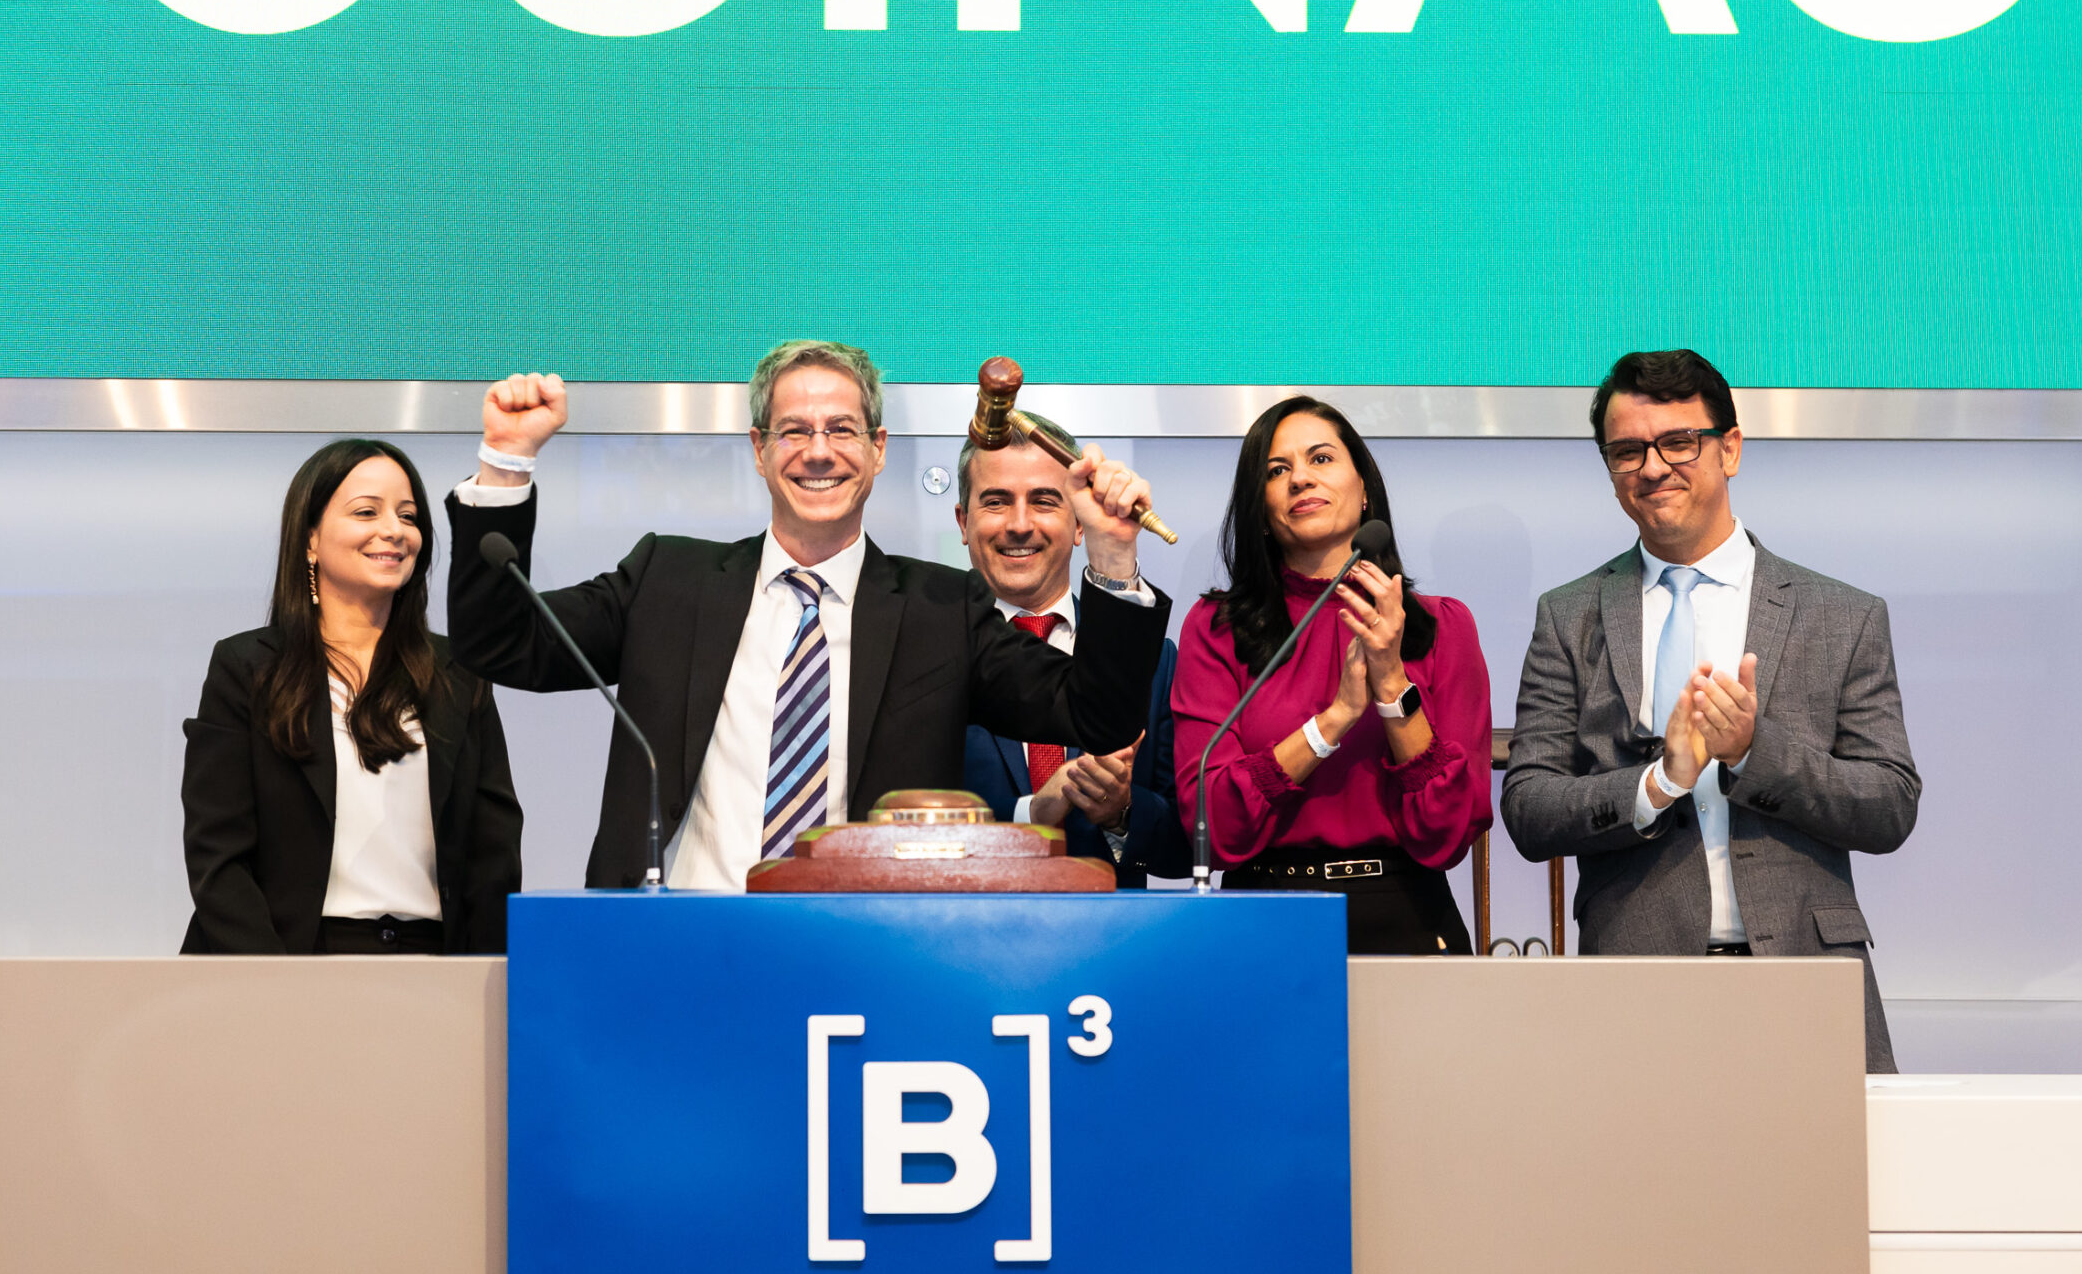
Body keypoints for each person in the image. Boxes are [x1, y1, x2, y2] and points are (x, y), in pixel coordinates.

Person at [446, 341, 1169, 891]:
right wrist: (506, 462)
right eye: (793, 430)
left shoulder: (941, 609)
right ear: (759, 450)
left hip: (859, 957)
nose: (819, 452)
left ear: (877, 450)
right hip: (674, 942)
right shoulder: (668, 580)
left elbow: (1096, 714)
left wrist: (1110, 557)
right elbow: (501, 644)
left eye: (842, 430)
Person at [1501, 349, 1921, 1072]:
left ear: (1730, 449)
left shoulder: (1841, 615)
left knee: (1815, 1156)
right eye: (1627, 451)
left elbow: (1890, 805)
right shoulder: (1568, 616)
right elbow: (1529, 809)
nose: (1652, 467)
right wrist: (1657, 782)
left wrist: (1755, 751)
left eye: (1678, 442)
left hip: (1806, 976)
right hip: (1634, 981)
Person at [1170, 397, 1492, 953]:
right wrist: (1333, 722)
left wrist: (1390, 684)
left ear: (1364, 487)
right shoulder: (1215, 628)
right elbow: (1211, 823)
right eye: (1277, 470)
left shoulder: (1442, 625)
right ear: (1261, 510)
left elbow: (1449, 831)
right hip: (1261, 920)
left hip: (1407, 916)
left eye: (1321, 458)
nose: (1300, 478)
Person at [181, 439, 522, 954]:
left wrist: (486, 975)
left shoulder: (458, 672)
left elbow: (493, 852)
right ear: (310, 538)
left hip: (433, 964)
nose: (394, 530)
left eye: (408, 516)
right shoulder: (248, 668)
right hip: (289, 959)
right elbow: (217, 854)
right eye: (367, 512)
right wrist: (271, 980)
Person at [953, 410, 1188, 886]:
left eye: (1044, 501)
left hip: (1110, 929)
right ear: (963, 522)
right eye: (997, 501)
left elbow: (1189, 848)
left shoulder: (1152, 661)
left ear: (1080, 524)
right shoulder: (923, 654)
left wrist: (1122, 811)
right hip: (964, 923)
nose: (1020, 524)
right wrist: (1030, 813)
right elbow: (894, 827)